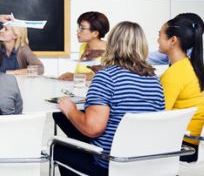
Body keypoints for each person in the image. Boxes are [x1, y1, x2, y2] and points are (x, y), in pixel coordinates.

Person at [53, 21, 165, 176]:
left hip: (110, 163)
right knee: (60, 117)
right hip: (144, 161)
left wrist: (71, 109)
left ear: (112, 44)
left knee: (59, 147)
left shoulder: (106, 76)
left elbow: (93, 129)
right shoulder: (154, 80)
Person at [157, 13, 204, 162]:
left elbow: (157, 116)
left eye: (159, 35)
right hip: (194, 144)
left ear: (173, 40)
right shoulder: (192, 66)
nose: (157, 40)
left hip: (181, 147)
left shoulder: (173, 74)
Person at [58, 11, 109, 81]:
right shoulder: (83, 46)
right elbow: (81, 73)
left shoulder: (110, 50)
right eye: (79, 27)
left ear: (95, 33)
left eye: (82, 28)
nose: (78, 31)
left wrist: (74, 76)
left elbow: (105, 75)